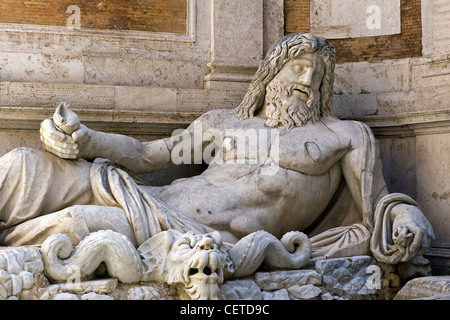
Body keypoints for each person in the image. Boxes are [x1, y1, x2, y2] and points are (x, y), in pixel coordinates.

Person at [0, 33, 434, 264]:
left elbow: (378, 205)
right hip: (149, 197)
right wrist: (83, 139)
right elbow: (147, 157)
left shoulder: (344, 137)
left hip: (196, 236)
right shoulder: (222, 123)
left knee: (79, 222)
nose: (307, 81)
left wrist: (407, 214)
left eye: (317, 76)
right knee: (22, 165)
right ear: (271, 74)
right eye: (298, 68)